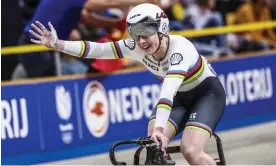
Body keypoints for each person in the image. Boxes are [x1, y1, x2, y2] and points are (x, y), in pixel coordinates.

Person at [28, 3, 226, 165]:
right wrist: (58, 44)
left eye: (145, 33)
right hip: (178, 99)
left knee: (190, 151)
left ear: (162, 29)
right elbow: (96, 49)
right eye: (134, 34)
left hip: (206, 95)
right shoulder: (135, 46)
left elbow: (168, 90)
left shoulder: (180, 49)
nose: (140, 41)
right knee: (154, 148)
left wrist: (159, 129)